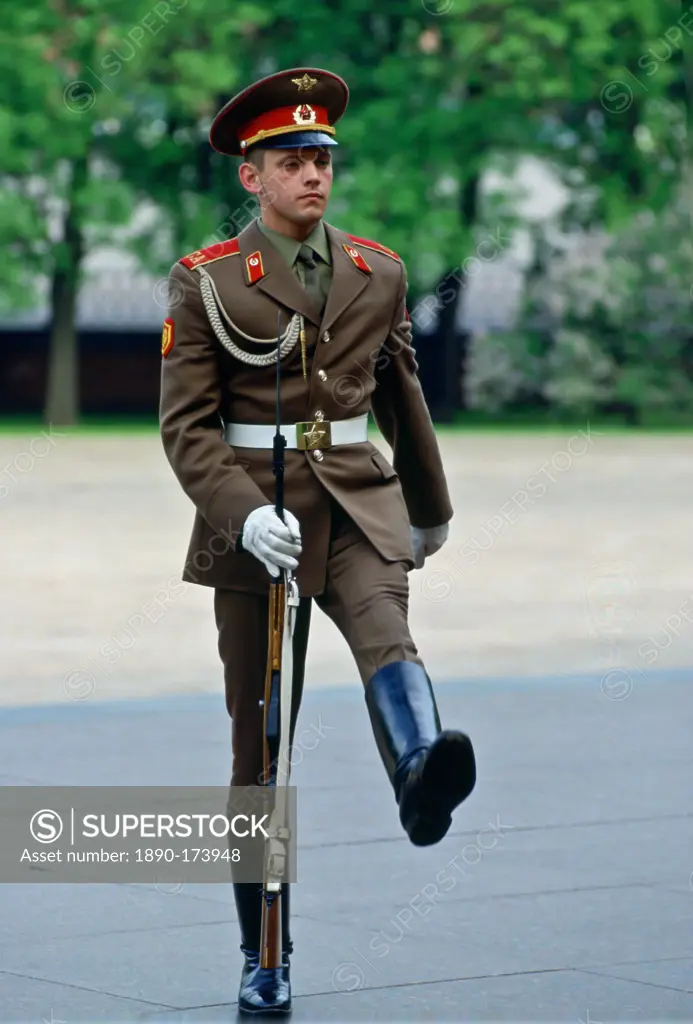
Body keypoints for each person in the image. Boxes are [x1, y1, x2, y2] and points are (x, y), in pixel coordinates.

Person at [159, 66, 476, 1015]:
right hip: (256, 519)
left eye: (321, 159)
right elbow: (186, 427)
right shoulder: (206, 281)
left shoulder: (377, 272)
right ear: (250, 176)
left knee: (390, 637)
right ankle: (265, 952)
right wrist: (238, 512)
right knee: (261, 748)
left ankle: (420, 776)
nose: (313, 175)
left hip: (358, 503)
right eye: (291, 161)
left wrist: (429, 509)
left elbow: (401, 394)